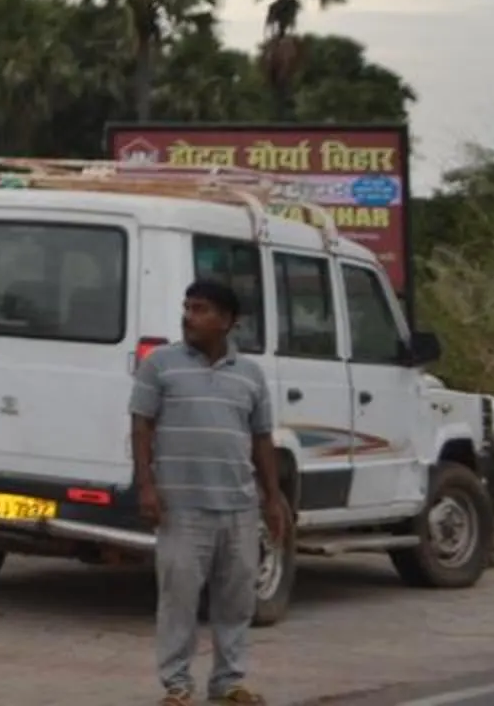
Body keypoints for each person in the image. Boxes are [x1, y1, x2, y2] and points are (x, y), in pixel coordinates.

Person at [130, 277, 292, 706]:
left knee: (236, 602)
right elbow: (141, 425)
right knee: (178, 600)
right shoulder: (161, 364)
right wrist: (147, 486)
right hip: (181, 508)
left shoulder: (251, 375)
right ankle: (178, 687)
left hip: (239, 508)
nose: (189, 317)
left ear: (227, 321)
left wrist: (272, 500)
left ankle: (228, 684)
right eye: (187, 307)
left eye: (200, 309)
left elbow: (261, 439)